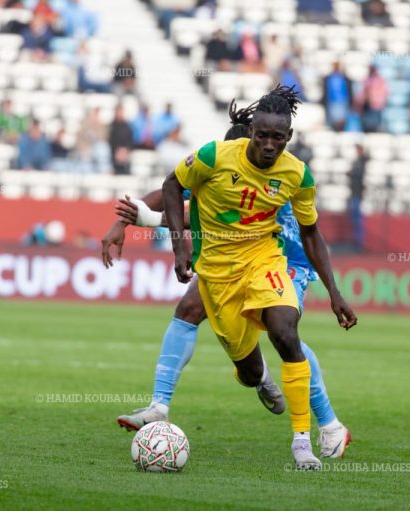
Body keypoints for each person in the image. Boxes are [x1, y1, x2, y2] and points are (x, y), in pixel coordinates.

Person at [104, 94, 353, 464]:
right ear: (249, 136)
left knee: (285, 333)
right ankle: (253, 378)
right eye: (260, 137)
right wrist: (132, 220)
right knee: (231, 350)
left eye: (277, 138)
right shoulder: (218, 160)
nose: (267, 146)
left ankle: (324, 427)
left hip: (285, 260)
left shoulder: (291, 175)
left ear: (286, 137)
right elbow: (179, 196)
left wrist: (335, 291)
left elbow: (304, 231)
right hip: (223, 268)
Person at [322, 61, 354, 132]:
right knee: (333, 120)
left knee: (342, 119)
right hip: (332, 101)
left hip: (343, 101)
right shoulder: (328, 77)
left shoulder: (344, 77)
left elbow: (349, 90)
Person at [357, 66, 388, 133]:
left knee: (375, 125)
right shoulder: (367, 79)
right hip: (368, 106)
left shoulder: (380, 80)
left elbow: (384, 92)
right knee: (367, 124)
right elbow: (363, 92)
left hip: (377, 105)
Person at [348, 144, 366, 252]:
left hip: (357, 193)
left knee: (357, 219)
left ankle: (359, 242)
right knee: (354, 218)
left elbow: (358, 174)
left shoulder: (362, 161)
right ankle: (356, 241)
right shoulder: (358, 162)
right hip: (354, 192)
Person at [109, 104, 133, 174]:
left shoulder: (127, 126)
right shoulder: (111, 126)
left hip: (125, 152)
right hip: (115, 153)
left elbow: (130, 141)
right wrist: (117, 151)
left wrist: (126, 150)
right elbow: (110, 141)